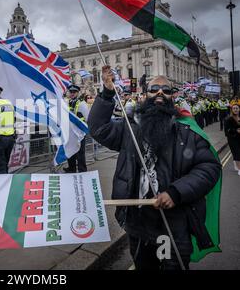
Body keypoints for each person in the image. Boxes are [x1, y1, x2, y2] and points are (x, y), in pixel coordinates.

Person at [89, 66, 221, 270]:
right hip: (138, 223)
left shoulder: (187, 131)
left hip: (174, 224)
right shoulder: (130, 128)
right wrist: (107, 93)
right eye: (154, 89)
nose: (160, 93)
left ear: (173, 96)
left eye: (166, 90)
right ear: (145, 95)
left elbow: (209, 168)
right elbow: (98, 129)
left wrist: (176, 192)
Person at [64, 84, 89, 173]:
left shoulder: (82, 104)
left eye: (74, 92)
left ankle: (82, 170)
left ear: (78, 93)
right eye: (71, 92)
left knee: (80, 153)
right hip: (70, 132)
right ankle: (71, 168)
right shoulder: (67, 102)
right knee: (70, 151)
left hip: (79, 133)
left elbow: (87, 118)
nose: (72, 93)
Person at [224, 104, 240, 175]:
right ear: (232, 110)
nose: (236, 109)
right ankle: (239, 169)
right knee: (237, 153)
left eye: (237, 108)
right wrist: (236, 131)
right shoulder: (228, 119)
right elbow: (227, 131)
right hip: (233, 139)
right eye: (234, 108)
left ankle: (236, 165)